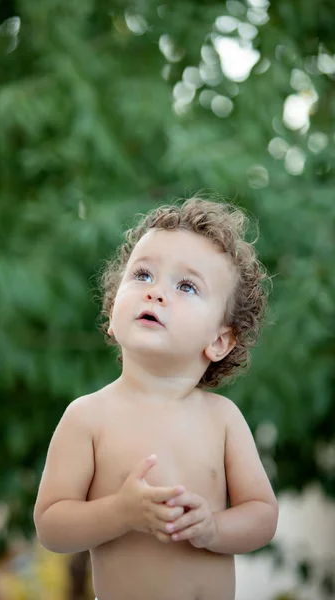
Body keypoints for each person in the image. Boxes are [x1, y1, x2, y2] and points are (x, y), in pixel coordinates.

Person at [33, 196, 278, 600]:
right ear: (113, 312)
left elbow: (263, 516)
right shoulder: (88, 417)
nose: (156, 293)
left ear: (218, 341)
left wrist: (214, 529)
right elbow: (51, 527)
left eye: (186, 286)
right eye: (143, 275)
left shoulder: (222, 419)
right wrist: (120, 513)